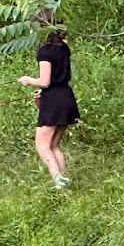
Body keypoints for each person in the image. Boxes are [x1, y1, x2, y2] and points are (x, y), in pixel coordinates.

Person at [17, 28, 78, 188]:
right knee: (53, 145)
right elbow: (55, 79)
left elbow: (45, 81)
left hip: (54, 101)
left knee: (42, 145)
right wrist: (44, 91)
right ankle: (64, 183)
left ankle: (58, 179)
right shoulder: (63, 48)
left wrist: (28, 80)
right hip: (66, 97)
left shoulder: (44, 52)